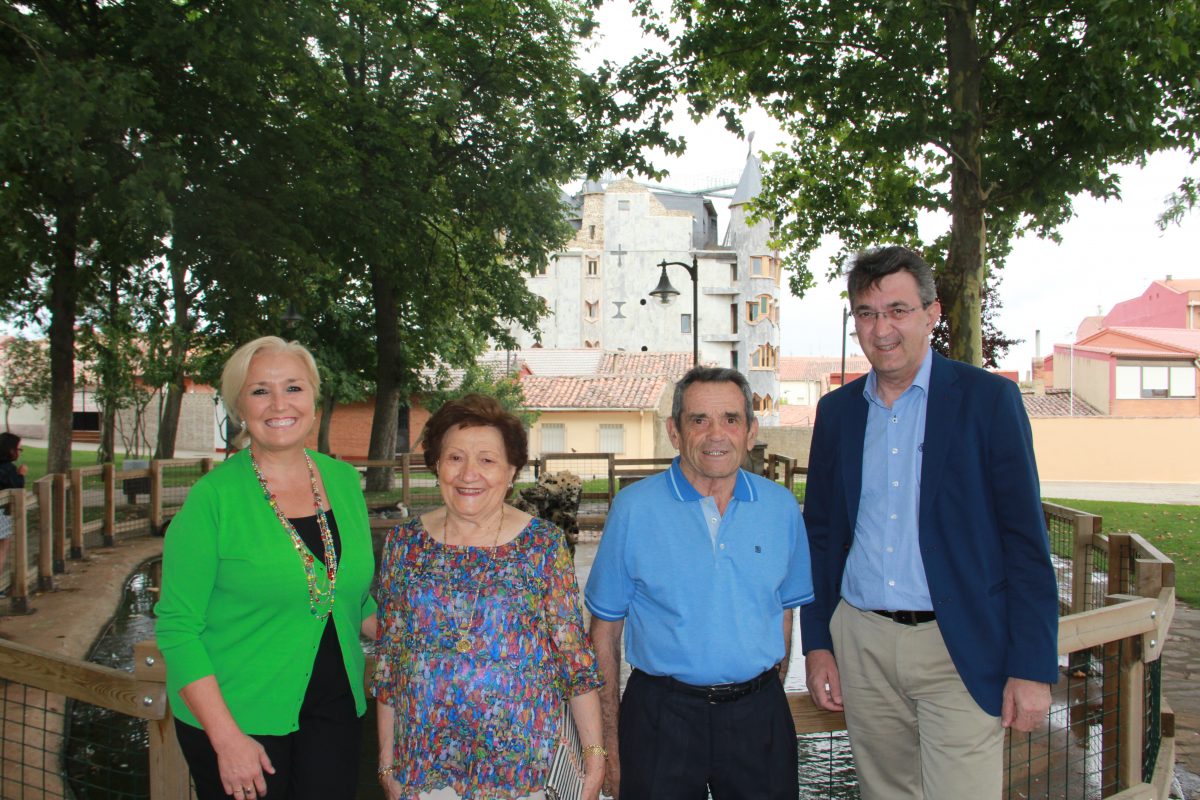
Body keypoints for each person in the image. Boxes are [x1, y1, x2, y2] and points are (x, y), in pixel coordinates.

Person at [801, 245, 1059, 799]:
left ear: (931, 313)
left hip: (958, 644)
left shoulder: (989, 401)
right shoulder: (837, 412)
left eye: (897, 310)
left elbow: (1025, 542)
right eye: (867, 315)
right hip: (863, 644)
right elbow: (820, 536)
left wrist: (1033, 667)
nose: (882, 329)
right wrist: (818, 642)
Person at [155, 337, 378, 800]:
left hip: (336, 708)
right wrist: (226, 739)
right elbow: (178, 629)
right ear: (239, 406)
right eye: (260, 391)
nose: (279, 404)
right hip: (240, 720)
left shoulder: (342, 481)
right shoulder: (212, 501)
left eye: (293, 388)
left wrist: (435, 632)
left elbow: (350, 593)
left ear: (313, 398)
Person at [586, 366, 814, 800]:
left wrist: (763, 695)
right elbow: (604, 634)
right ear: (674, 431)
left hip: (758, 716)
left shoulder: (782, 509)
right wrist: (609, 746)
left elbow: (784, 614)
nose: (716, 434)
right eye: (698, 420)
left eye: (731, 419)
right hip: (660, 717)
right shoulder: (634, 510)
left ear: (751, 431)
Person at [373, 393, 606, 800]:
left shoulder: (543, 546)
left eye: (487, 459)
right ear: (437, 465)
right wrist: (387, 762)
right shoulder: (404, 545)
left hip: (528, 768)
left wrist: (595, 757)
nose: (469, 474)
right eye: (455, 458)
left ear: (512, 470)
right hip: (426, 768)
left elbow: (575, 661)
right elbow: (390, 661)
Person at [0, 432, 27, 597]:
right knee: (2, 547)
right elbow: (17, 489)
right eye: (18, 449)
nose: (18, 452)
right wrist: (21, 475)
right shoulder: (7, 468)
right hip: (1, 513)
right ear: (10, 450)